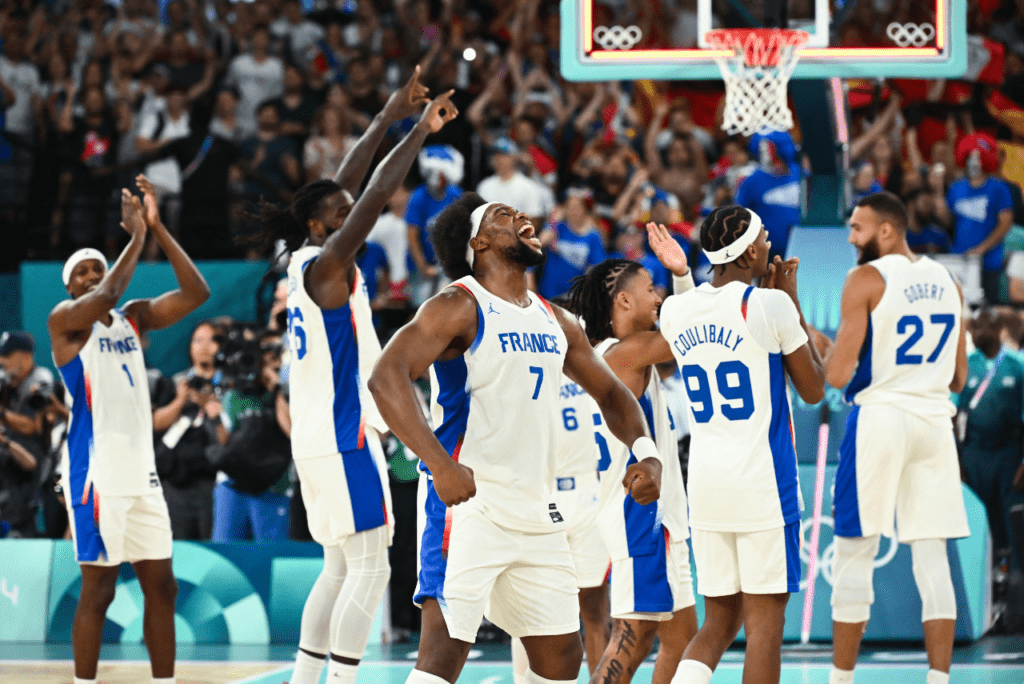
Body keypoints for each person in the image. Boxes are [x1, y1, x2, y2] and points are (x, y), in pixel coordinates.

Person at [368, 193, 662, 684]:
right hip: (470, 506)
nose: (523, 217)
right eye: (506, 215)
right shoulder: (458, 304)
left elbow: (612, 394)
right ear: (480, 242)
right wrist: (440, 464)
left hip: (537, 511)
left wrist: (646, 452)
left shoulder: (557, 320)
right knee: (441, 658)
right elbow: (386, 376)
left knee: (561, 660)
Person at [253, 67, 450, 684]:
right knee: (371, 569)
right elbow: (366, 198)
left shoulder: (305, 259)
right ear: (321, 225)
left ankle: (305, 681)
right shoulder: (328, 266)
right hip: (345, 436)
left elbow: (344, 186)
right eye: (339, 214)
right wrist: (416, 132)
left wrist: (383, 118)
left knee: (338, 568)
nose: (352, 215)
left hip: (316, 440)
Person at [47, 175, 210, 684]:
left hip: (143, 475)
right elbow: (111, 289)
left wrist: (158, 229)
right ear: (70, 286)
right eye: (83, 272)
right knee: (99, 590)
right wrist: (135, 237)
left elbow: (196, 292)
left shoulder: (132, 319)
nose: (94, 276)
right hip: (97, 475)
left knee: (162, 587)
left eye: (99, 267)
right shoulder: (66, 322)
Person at [662, 205, 828, 684]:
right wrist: (790, 300)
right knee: (763, 629)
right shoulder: (768, 305)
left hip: (709, 486)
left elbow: (697, 309)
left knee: (717, 623)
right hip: (763, 486)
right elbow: (814, 389)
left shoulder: (677, 308)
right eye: (766, 239)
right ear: (750, 250)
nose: (771, 247)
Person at [825, 191, 970, 684]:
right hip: (934, 423)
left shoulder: (864, 278)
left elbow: (839, 375)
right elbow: (958, 379)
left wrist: (821, 347)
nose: (850, 238)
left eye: (857, 228)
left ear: (887, 231)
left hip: (881, 419)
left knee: (853, 552)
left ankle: (840, 680)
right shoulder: (949, 281)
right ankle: (939, 679)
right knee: (933, 558)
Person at [564, 241, 698, 684]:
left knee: (681, 641)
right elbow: (692, 337)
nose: (658, 295)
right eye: (650, 288)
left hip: (652, 513)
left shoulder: (609, 354)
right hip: (641, 512)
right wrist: (682, 274)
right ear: (623, 300)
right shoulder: (626, 352)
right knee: (635, 638)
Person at [958, 308, 1024, 574]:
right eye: (974, 327)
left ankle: (1014, 587)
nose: (978, 332)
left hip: (1007, 454)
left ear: (999, 331)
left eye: (985, 327)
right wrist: (956, 460)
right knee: (976, 519)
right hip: (973, 455)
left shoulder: (1016, 367)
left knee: (1010, 519)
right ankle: (978, 576)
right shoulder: (965, 366)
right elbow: (951, 417)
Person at [934, 133, 1014, 304]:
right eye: (970, 157)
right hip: (959, 260)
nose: (974, 162)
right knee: (959, 307)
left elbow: (1006, 223)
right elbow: (949, 223)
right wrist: (941, 209)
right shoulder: (956, 187)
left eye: (978, 158)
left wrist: (982, 248)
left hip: (988, 262)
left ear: (986, 160)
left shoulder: (999, 188)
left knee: (987, 312)